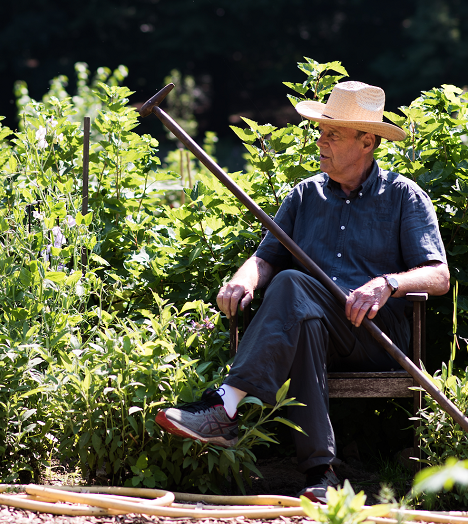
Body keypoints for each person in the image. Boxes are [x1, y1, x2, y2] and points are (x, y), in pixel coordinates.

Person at [155, 81, 450, 503]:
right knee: (300, 308)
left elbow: (439, 276)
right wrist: (243, 279)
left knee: (292, 285)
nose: (320, 141)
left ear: (367, 141)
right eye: (321, 132)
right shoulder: (305, 195)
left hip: (375, 336)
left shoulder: (403, 196)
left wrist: (388, 283)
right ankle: (320, 474)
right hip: (315, 327)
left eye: (333, 134)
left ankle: (225, 406)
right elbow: (265, 257)